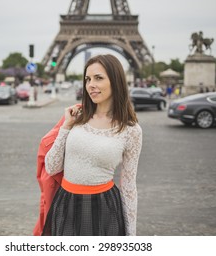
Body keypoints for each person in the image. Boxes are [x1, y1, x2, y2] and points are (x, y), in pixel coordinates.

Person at [42, 54, 143, 236]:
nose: (90, 85)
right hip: (66, 204)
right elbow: (51, 167)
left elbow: (128, 185)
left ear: (116, 80)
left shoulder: (131, 130)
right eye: (88, 79)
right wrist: (65, 127)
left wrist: (131, 235)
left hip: (104, 207)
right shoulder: (77, 117)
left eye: (98, 78)